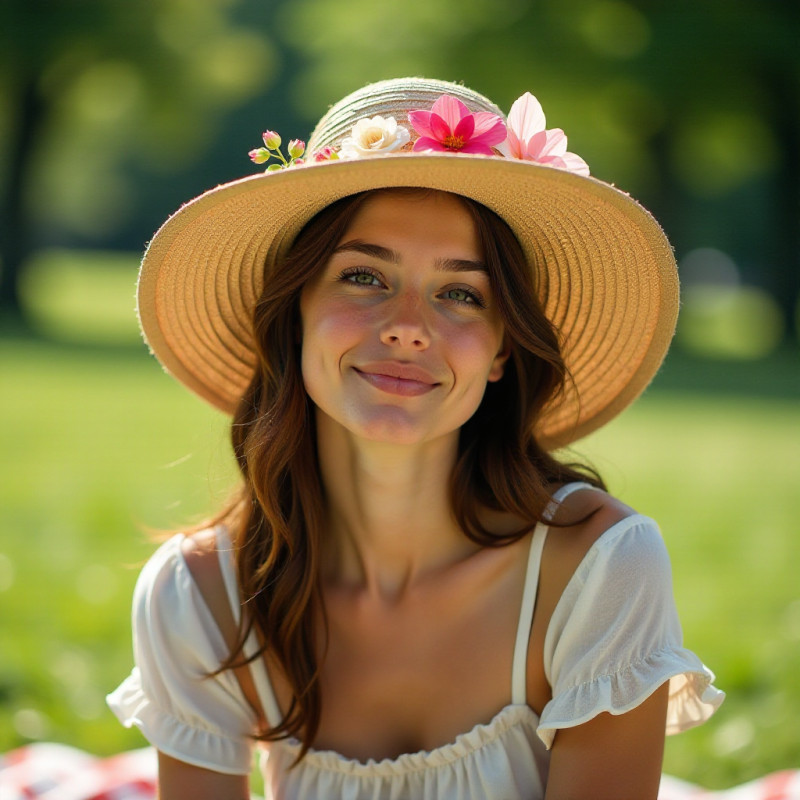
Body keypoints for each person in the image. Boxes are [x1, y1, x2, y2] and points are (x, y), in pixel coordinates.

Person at [107, 77, 724, 799]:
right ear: (294, 317)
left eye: (461, 292)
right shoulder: (201, 595)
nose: (407, 325)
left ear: (500, 352)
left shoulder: (594, 569)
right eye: (364, 276)